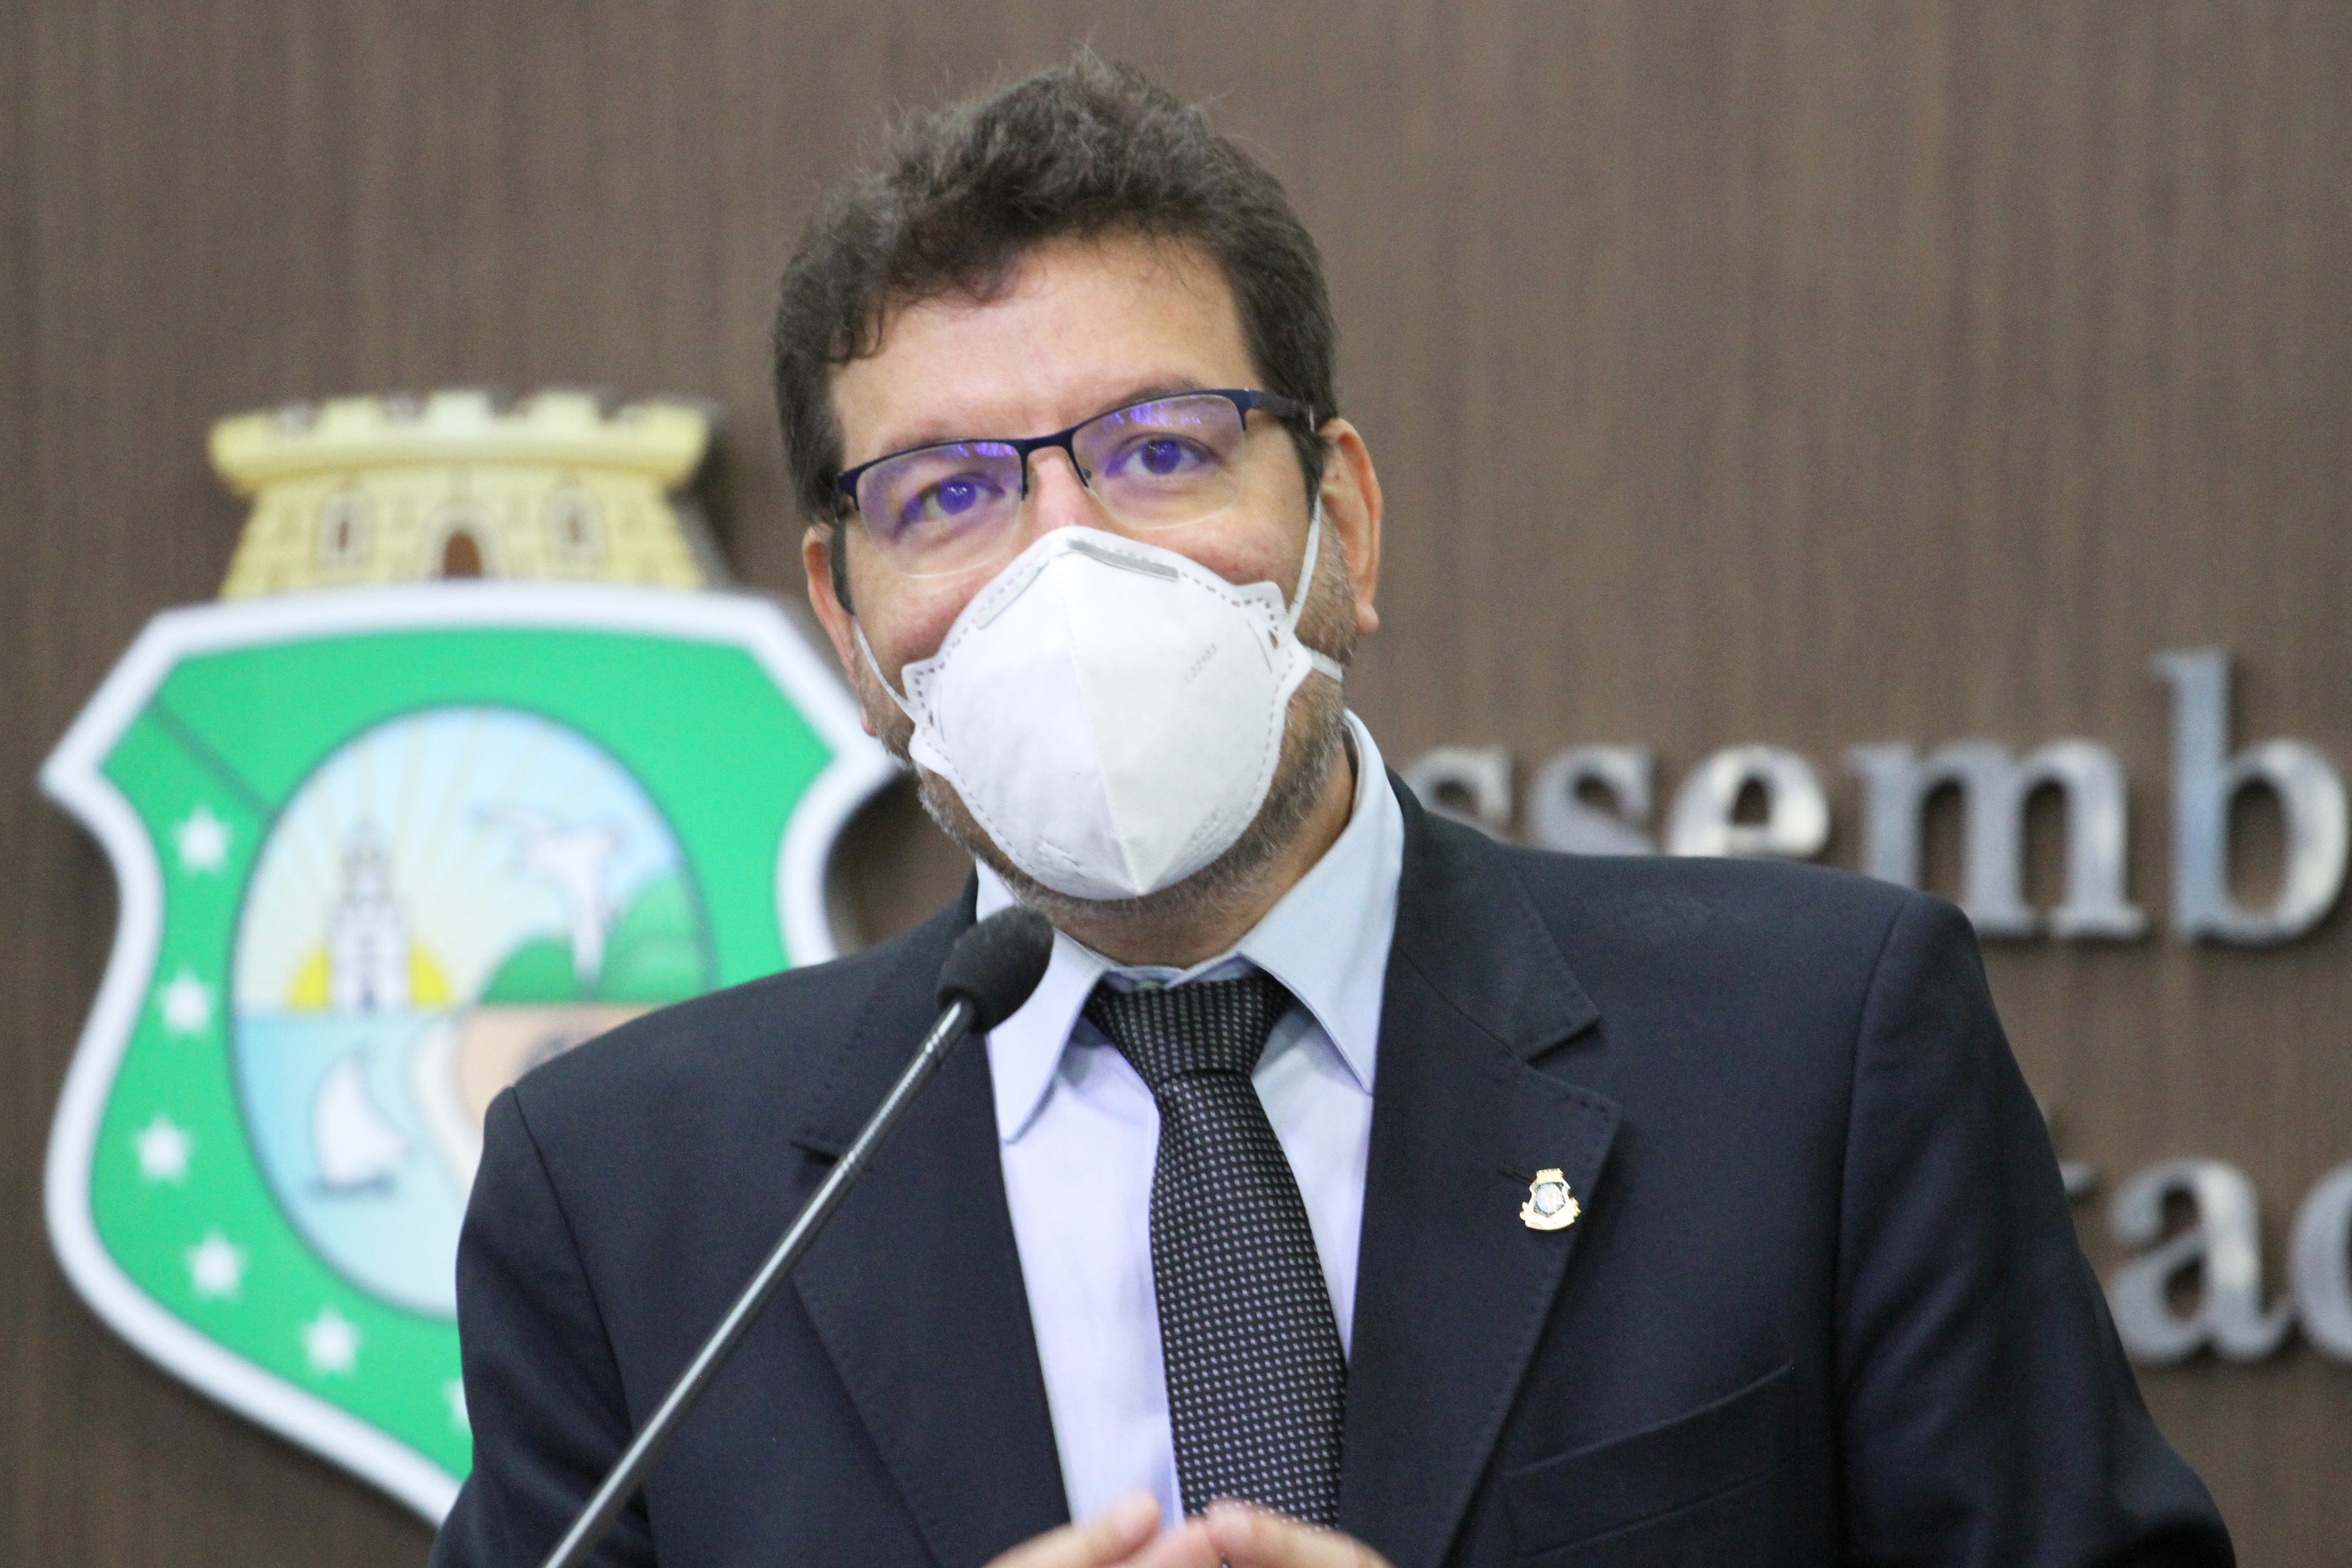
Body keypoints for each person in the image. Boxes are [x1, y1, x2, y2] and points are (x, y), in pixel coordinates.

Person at [432, 55, 2233, 1568]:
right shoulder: (627, 1198)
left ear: (1342, 530)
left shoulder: (1813, 1057)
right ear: (848, 623)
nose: (1067, 561)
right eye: (947, 496)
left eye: (1161, 450)